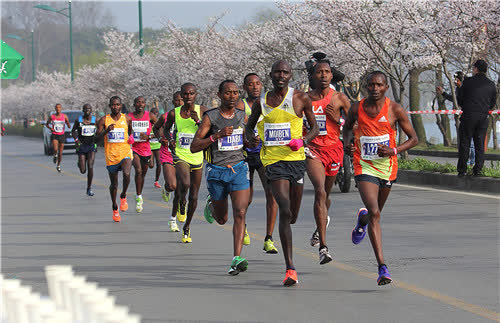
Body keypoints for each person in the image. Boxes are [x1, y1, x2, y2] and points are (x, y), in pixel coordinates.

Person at [246, 60, 319, 286]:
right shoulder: (261, 101)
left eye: (285, 72)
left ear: (290, 75)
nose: (281, 75)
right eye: (277, 71)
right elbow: (249, 127)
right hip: (272, 161)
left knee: (293, 214)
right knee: (284, 209)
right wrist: (252, 137)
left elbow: (315, 128)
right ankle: (290, 268)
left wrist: (303, 140)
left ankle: (289, 223)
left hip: (296, 161)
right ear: (270, 74)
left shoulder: (300, 98)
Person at [343, 71, 418, 285]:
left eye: (379, 85)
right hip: (364, 165)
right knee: (376, 212)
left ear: (385, 87)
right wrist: (347, 144)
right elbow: (347, 129)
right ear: (366, 87)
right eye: (371, 85)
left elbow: (414, 139)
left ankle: (362, 221)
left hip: (387, 167)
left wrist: (394, 150)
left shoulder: (395, 109)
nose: (375, 88)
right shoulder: (357, 108)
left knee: (375, 214)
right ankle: (382, 267)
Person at [191, 80, 250, 275]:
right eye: (227, 93)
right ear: (219, 94)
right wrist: (216, 136)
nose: (232, 96)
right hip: (217, 172)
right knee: (222, 219)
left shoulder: (243, 116)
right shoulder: (210, 117)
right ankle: (211, 203)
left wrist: (252, 141)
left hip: (239, 168)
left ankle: (236, 258)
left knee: (240, 212)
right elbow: (194, 146)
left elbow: (248, 141)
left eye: (235, 93)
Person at [305, 60, 351, 264]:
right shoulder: (304, 99)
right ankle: (324, 247)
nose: (323, 75)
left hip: (334, 150)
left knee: (326, 195)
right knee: (320, 191)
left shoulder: (340, 98)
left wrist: (338, 119)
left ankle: (321, 223)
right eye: (319, 72)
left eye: (327, 72)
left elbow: (354, 124)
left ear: (332, 76)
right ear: (313, 76)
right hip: (313, 150)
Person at [236, 73, 278, 252]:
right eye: (250, 84)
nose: (255, 87)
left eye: (258, 83)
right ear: (245, 87)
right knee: (247, 198)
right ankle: (243, 228)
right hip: (244, 155)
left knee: (272, 195)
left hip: (264, 154)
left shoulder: (268, 103)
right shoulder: (240, 105)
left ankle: (269, 238)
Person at [161, 84, 207, 239]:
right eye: (185, 94)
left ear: (196, 95)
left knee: (194, 196)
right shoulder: (174, 113)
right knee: (185, 184)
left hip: (197, 156)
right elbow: (166, 129)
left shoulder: (203, 111)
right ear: (181, 95)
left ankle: (187, 227)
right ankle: (182, 202)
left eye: (191, 94)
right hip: (181, 154)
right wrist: (170, 140)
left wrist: (198, 122)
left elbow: (210, 131)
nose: (188, 97)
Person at [456, 59, 497, 176]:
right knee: (479, 145)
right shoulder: (491, 84)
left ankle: (462, 170)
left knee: (465, 143)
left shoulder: (468, 81)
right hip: (483, 117)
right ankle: (478, 169)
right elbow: (492, 103)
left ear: (476, 69)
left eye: (474, 68)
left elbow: (460, 100)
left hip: (468, 115)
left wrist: (459, 88)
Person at [96, 96, 134, 222]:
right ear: (109, 106)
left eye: (117, 104)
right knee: (114, 184)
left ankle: (123, 195)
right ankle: (114, 207)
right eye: (113, 105)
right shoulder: (103, 120)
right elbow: (96, 139)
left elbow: (131, 132)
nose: (115, 107)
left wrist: (131, 138)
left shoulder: (127, 119)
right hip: (111, 155)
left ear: (121, 105)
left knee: (127, 174)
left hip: (125, 152)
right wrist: (107, 130)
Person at [129, 96, 158, 213]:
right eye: (138, 102)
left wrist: (150, 136)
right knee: (138, 171)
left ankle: (138, 193)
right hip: (133, 148)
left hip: (146, 149)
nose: (140, 104)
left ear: (145, 104)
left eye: (142, 102)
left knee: (143, 174)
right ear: (134, 104)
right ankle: (139, 196)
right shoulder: (129, 117)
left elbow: (160, 129)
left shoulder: (150, 116)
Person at [71, 104, 97, 196]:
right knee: (83, 170)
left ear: (91, 110)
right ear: (83, 110)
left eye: (89, 109)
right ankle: (80, 163)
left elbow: (99, 130)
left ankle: (89, 188)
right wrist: (76, 140)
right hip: (82, 146)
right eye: (85, 109)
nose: (87, 111)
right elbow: (73, 131)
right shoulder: (79, 120)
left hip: (91, 146)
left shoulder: (94, 120)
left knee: (90, 166)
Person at [45, 104, 71, 172]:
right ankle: (55, 155)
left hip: (62, 135)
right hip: (55, 135)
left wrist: (68, 124)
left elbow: (68, 125)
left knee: (61, 153)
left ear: (61, 108)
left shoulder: (64, 116)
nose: (58, 109)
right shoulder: (52, 116)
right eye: (57, 108)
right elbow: (47, 124)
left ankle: (58, 165)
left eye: (59, 107)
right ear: (55, 109)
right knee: (55, 149)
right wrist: (51, 128)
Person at [149, 107, 163, 188]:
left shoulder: (159, 123)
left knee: (159, 163)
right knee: (151, 165)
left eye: (156, 113)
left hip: (158, 145)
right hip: (150, 146)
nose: (154, 114)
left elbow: (161, 133)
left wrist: (154, 135)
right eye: (153, 113)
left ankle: (156, 181)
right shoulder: (147, 123)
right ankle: (148, 161)